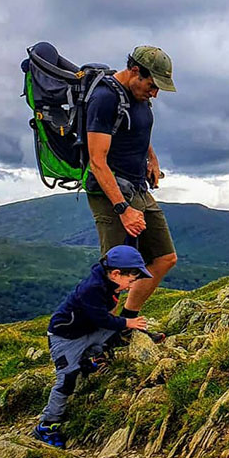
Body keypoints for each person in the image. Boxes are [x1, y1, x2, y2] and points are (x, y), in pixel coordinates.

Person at [85, 45, 178, 326]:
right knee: (115, 272)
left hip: (138, 187)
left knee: (165, 257)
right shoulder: (104, 98)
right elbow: (96, 160)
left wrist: (152, 158)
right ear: (135, 71)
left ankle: (126, 322)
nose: (155, 93)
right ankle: (95, 338)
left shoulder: (138, 97)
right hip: (111, 192)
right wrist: (123, 209)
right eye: (152, 85)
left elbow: (136, 130)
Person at [33, 245, 160, 448]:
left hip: (87, 330)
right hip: (65, 338)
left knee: (118, 334)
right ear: (116, 273)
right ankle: (47, 425)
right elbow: (101, 318)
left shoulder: (109, 279)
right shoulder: (91, 289)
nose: (130, 286)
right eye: (130, 280)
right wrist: (127, 322)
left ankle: (90, 360)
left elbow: (125, 247)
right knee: (67, 378)